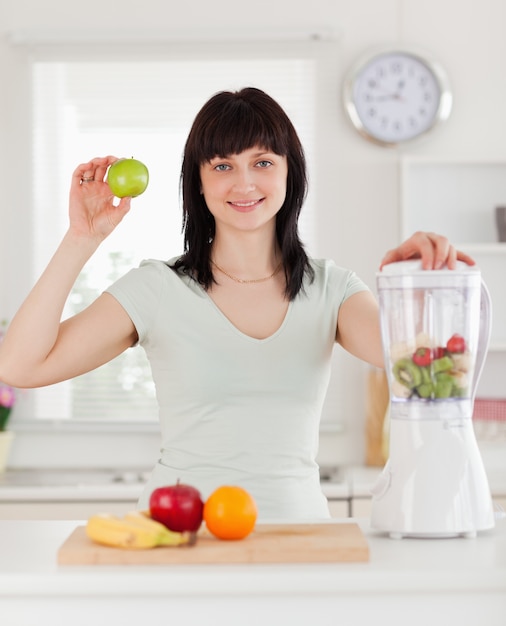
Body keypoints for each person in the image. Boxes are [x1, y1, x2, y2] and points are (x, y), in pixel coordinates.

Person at [0, 87, 474, 520]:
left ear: (291, 172)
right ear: (199, 184)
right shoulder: (158, 288)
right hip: (179, 537)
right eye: (223, 166)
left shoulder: (332, 289)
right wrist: (82, 238)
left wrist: (408, 283)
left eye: (263, 162)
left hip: (300, 538)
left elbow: (424, 365)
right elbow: (20, 366)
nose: (244, 183)